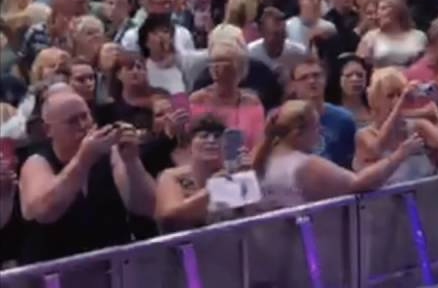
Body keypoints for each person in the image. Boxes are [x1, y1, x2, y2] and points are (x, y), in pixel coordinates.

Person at [19, 90, 156, 262]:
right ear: (48, 130)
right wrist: (83, 160)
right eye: (72, 121)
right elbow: (44, 211)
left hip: (111, 266)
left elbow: (147, 207)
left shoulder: (112, 154)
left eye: (85, 117)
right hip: (56, 271)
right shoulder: (37, 163)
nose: (83, 125)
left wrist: (132, 162)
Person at [251, 99, 423, 211]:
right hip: (305, 247)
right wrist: (400, 154)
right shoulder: (304, 164)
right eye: (316, 127)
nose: (321, 131)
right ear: (298, 134)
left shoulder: (262, 157)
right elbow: (360, 183)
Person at [153, 114, 236, 231]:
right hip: (186, 246)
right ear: (190, 146)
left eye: (217, 136)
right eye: (204, 136)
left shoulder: (232, 176)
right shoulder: (172, 176)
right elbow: (169, 217)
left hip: (226, 243)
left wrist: (247, 181)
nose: (211, 141)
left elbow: (249, 216)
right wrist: (210, 190)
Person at [189, 40, 267, 151]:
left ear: (238, 68)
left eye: (223, 63)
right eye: (213, 63)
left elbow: (258, 144)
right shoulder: (197, 100)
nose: (216, 68)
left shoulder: (252, 102)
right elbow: (187, 142)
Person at [287, 58, 357, 169]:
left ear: (325, 79)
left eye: (316, 75)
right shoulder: (284, 120)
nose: (311, 81)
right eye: (303, 78)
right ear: (293, 85)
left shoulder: (344, 119)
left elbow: (351, 163)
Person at [358, 0, 428, 68]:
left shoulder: (419, 36)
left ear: (398, 10)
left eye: (383, 8)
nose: (378, 14)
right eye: (378, 10)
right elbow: (361, 64)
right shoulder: (370, 37)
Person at [248, 7, 310, 82]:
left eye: (282, 34)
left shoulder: (299, 53)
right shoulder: (250, 54)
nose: (279, 40)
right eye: (275, 34)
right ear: (262, 32)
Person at [335, 53, 373, 128]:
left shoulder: (375, 107)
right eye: (348, 75)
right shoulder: (332, 112)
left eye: (360, 75)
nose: (355, 79)